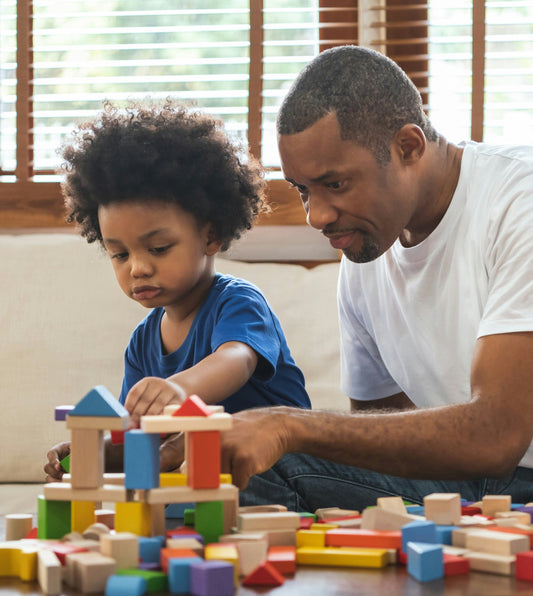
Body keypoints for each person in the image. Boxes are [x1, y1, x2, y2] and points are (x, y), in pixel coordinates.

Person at [164, 44, 533, 512]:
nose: (317, 216)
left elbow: (499, 435)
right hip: (457, 486)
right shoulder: (365, 250)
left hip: (522, 479)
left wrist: (287, 424)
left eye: (335, 184)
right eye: (303, 190)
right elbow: (380, 438)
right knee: (239, 466)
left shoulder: (518, 202)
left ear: (408, 148)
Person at [44, 99, 311, 482]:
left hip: (279, 467)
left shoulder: (237, 302)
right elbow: (135, 438)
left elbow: (236, 360)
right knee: (148, 490)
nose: (138, 267)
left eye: (158, 248)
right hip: (197, 477)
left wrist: (176, 389)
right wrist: (93, 453)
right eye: (119, 254)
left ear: (210, 235)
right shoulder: (142, 343)